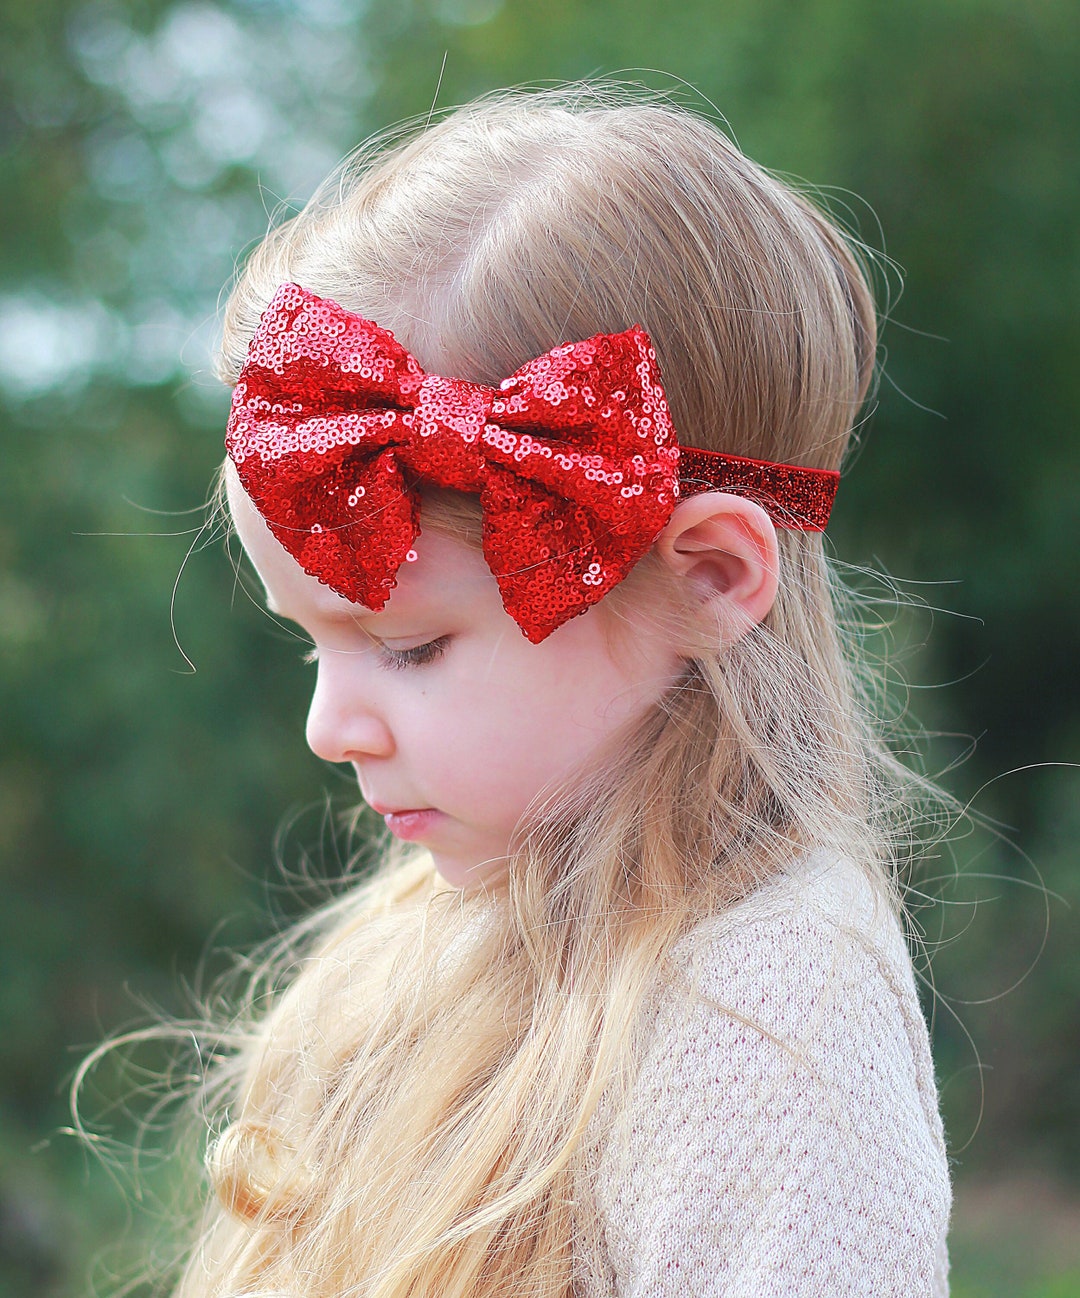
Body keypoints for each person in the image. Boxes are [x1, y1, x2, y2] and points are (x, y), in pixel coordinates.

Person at [182, 84, 951, 1296]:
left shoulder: (771, 1007)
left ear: (705, 578)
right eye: (311, 643)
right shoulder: (433, 937)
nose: (329, 727)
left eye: (412, 644)